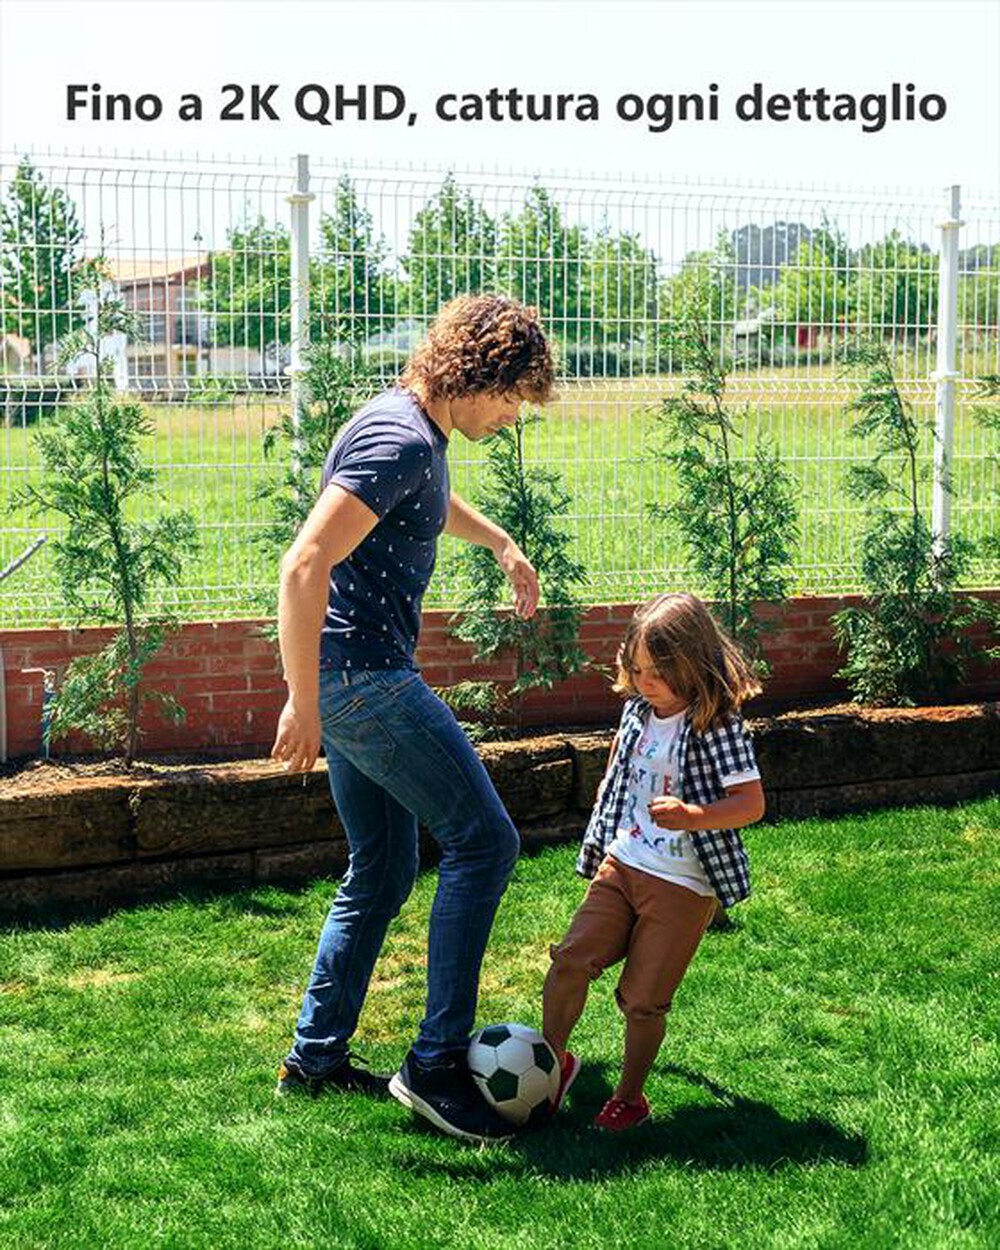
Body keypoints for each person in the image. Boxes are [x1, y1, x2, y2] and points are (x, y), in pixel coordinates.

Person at [271, 294, 556, 1144]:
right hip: (363, 682)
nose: (510, 419)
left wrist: (500, 541)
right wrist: (305, 698)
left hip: (354, 679)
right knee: (486, 841)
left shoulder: (414, 435)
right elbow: (304, 563)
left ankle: (314, 1059)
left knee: (387, 866)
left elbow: (425, 503)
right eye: (511, 399)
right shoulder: (400, 437)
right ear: (480, 375)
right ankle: (435, 1066)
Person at [542, 592, 766, 1132]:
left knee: (643, 1002)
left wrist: (693, 814)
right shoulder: (637, 710)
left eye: (659, 672)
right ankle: (549, 1066)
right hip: (624, 863)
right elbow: (621, 767)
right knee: (571, 959)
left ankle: (630, 1098)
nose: (646, 683)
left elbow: (751, 805)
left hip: (684, 883)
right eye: (637, 669)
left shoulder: (717, 724)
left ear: (693, 663)